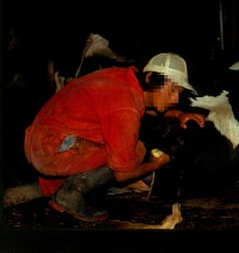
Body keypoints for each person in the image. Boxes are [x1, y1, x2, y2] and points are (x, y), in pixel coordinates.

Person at [24, 52, 205, 222]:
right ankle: (70, 194)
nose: (175, 98)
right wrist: (155, 165)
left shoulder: (125, 79)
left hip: (43, 139)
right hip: (50, 150)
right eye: (172, 90)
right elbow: (122, 174)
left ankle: (57, 183)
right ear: (150, 79)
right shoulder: (125, 107)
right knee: (135, 152)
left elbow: (144, 106)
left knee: (121, 146)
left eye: (179, 93)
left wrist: (177, 114)